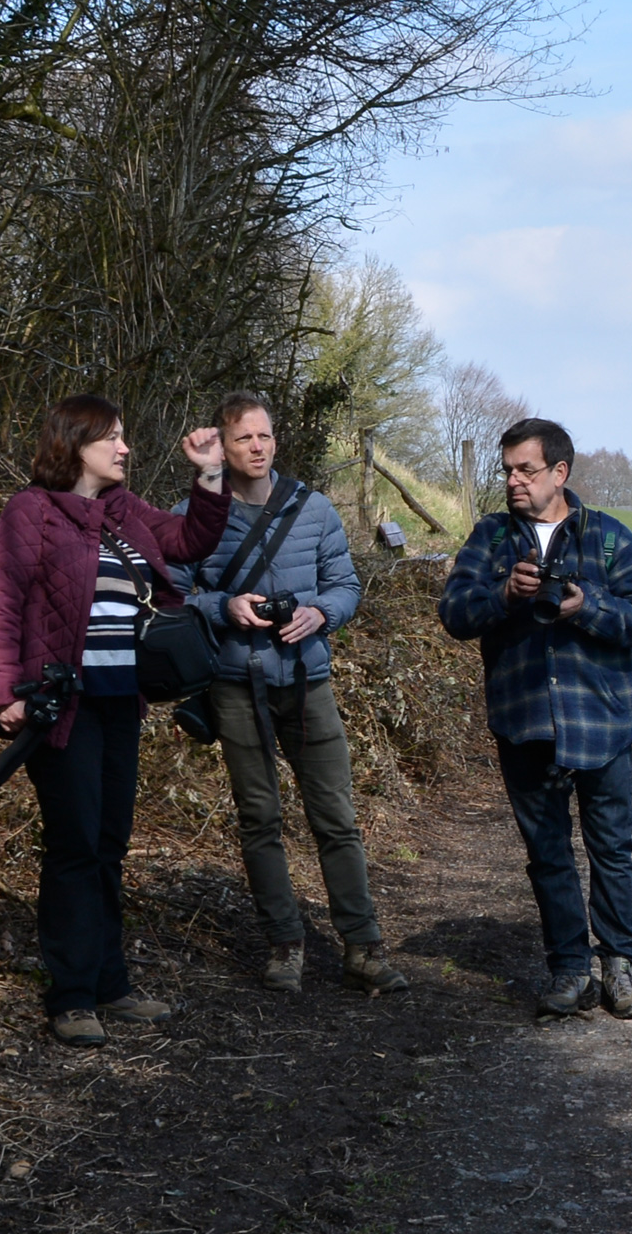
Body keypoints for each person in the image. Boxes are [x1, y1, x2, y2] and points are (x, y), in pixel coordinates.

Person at [0, 394, 230, 1048]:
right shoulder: (33, 512)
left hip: (119, 702)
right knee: (75, 845)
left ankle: (112, 984)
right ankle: (73, 995)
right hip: (63, 706)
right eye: (111, 437)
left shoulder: (123, 512)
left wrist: (210, 475)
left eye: (124, 437)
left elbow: (191, 537)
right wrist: (3, 696)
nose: (124, 448)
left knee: (109, 843)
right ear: (74, 444)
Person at [170, 392, 406, 995]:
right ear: (221, 446)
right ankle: (285, 946)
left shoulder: (314, 509)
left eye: (265, 436)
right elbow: (169, 599)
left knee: (336, 817)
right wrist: (222, 607)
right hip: (233, 684)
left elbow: (346, 585)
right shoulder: (194, 515)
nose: (257, 446)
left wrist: (321, 613)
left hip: (308, 680)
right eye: (244, 437)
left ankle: (363, 947)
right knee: (260, 818)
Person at [437, 417, 632, 1020]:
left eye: (526, 469)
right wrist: (504, 596)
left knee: (611, 849)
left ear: (559, 472)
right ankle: (569, 970)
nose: (513, 480)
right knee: (546, 852)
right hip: (525, 719)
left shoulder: (611, 539)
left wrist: (585, 604)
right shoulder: (489, 539)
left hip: (604, 721)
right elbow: (456, 615)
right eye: (507, 469)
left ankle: (620, 968)